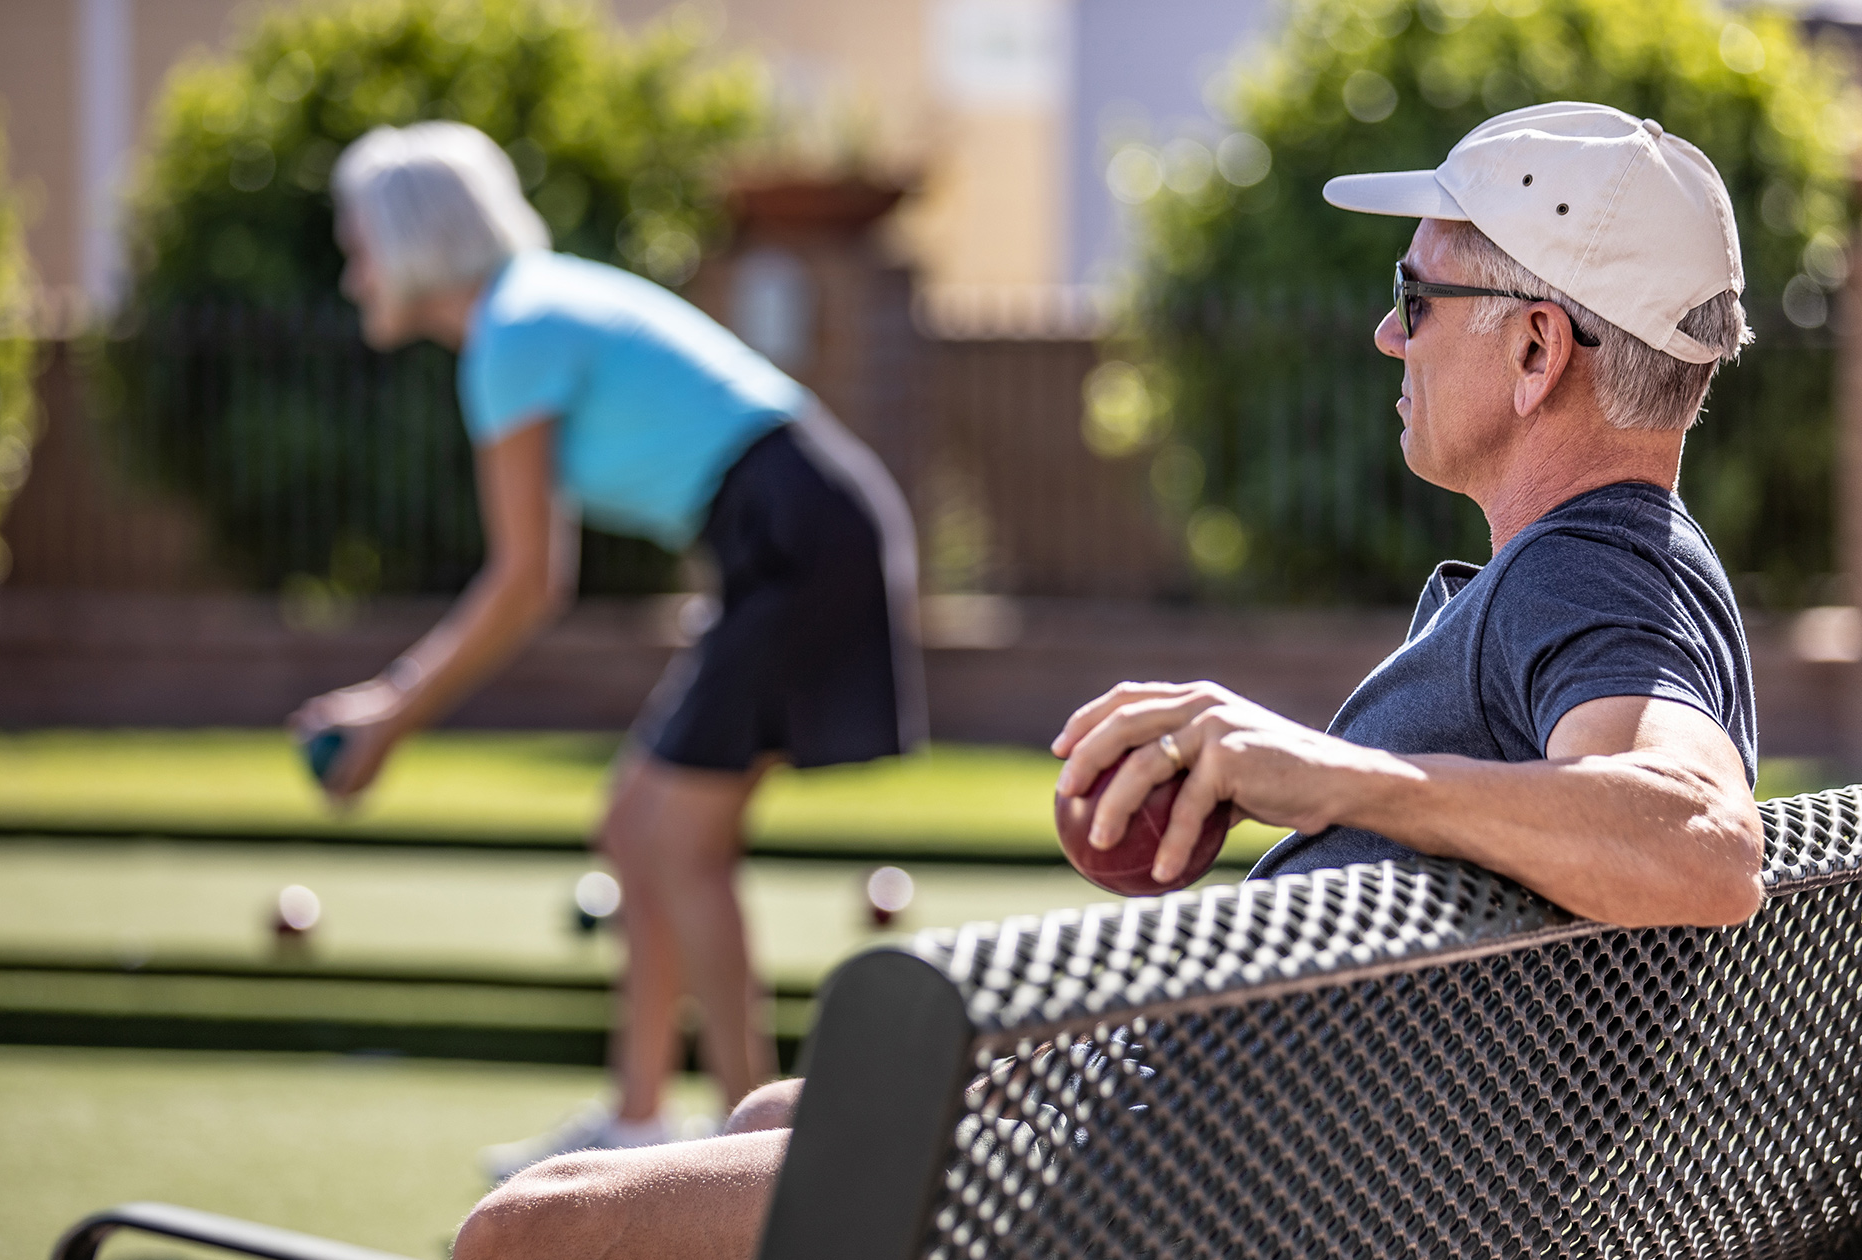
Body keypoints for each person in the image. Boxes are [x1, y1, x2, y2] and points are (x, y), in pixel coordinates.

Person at [449, 101, 1766, 1260]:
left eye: (1417, 298)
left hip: (1209, 1193)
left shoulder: (1596, 577)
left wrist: (1333, 775)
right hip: (1268, 1153)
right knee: (776, 1113)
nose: (1386, 332)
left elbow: (1701, 840)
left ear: (1537, 351)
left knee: (532, 1227)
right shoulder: (1620, 568)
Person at [288, 122, 925, 1175]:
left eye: (359, 247)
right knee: (635, 827)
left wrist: (390, 714)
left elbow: (528, 580)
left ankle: (758, 1157)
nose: (354, 274)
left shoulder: (512, 331)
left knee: (677, 843)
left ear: (409, 242)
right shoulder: (533, 306)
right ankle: (639, 1119)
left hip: (795, 535)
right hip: (785, 529)